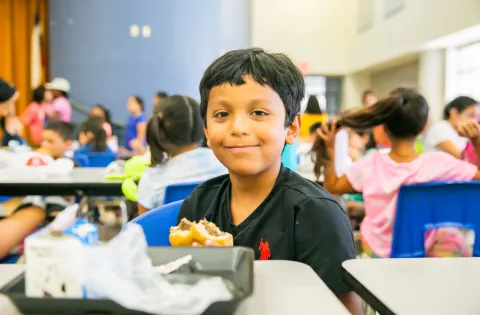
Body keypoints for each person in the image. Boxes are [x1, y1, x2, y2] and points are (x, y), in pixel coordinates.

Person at [177, 48, 361, 314]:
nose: (238, 127)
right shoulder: (197, 206)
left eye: (259, 113)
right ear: (206, 130)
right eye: (222, 115)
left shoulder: (315, 212)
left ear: (292, 128)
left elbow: (345, 309)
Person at [314, 88, 480, 258]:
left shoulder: (370, 163)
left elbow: (332, 186)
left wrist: (329, 151)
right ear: (424, 126)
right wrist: (477, 141)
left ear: (384, 127)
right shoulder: (439, 163)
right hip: (425, 252)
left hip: (378, 254)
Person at [136, 95, 227, 214]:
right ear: (204, 125)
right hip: (223, 232)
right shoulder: (225, 164)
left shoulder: (152, 178)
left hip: (168, 233)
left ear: (160, 130)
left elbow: (143, 228)